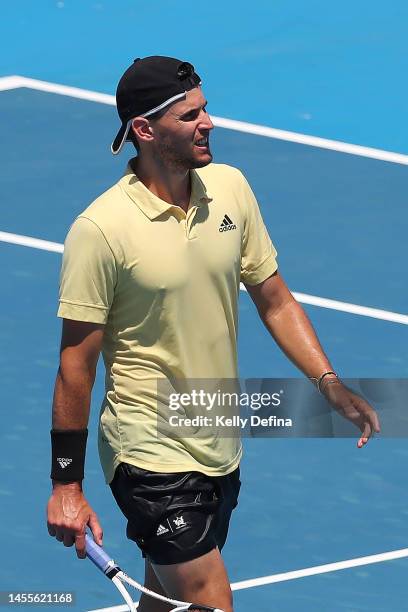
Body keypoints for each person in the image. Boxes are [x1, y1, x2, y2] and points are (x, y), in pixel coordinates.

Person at [46, 56, 380, 612]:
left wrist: (329, 384)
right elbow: (75, 365)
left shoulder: (230, 188)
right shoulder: (100, 231)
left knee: (163, 599)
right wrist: (66, 486)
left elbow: (274, 298)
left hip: (216, 440)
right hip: (148, 451)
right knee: (208, 597)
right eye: (190, 115)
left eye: (206, 109)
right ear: (145, 131)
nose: (210, 123)